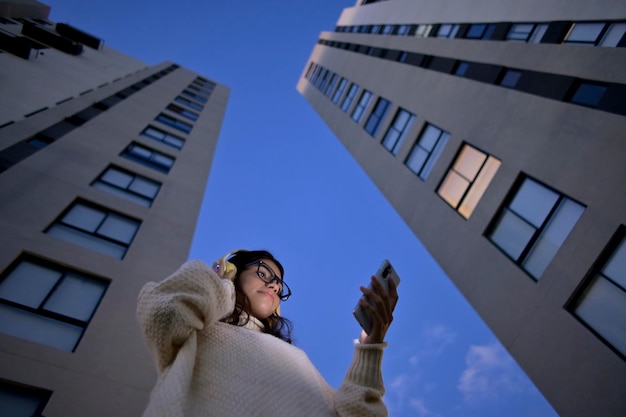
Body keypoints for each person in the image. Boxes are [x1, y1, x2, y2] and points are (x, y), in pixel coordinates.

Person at [137, 249, 399, 417]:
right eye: (264, 273)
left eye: (278, 284)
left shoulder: (298, 361)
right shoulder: (201, 327)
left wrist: (370, 346)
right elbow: (164, 313)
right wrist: (222, 282)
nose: (274, 284)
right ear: (234, 271)